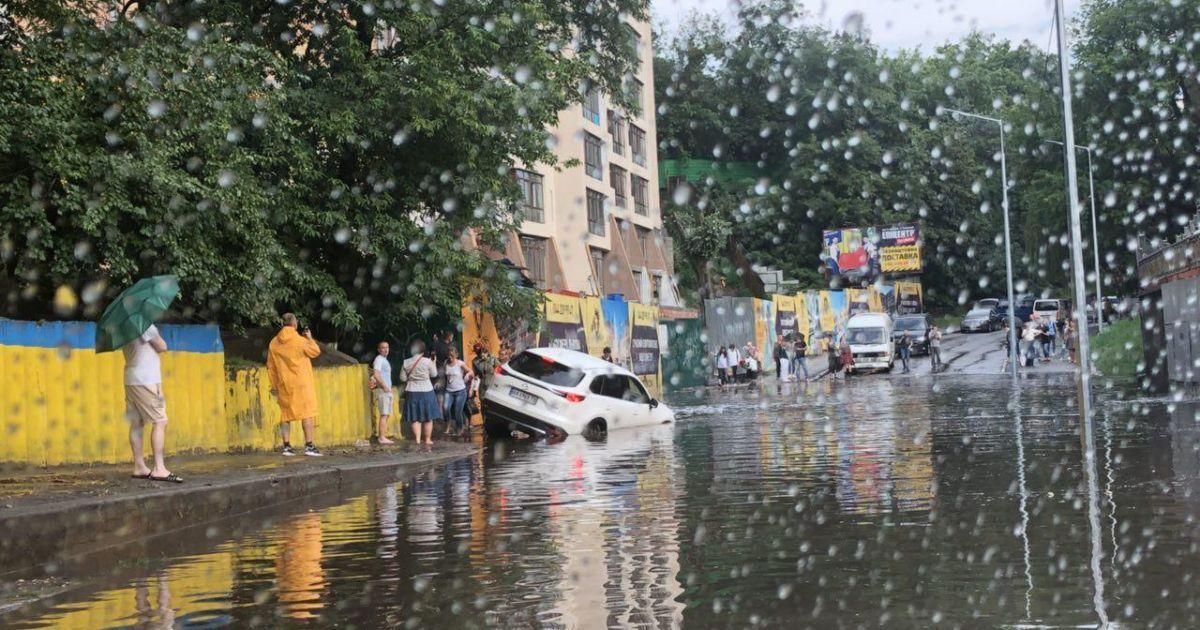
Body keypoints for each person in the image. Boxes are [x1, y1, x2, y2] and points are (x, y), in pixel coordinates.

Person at [124, 324, 181, 482]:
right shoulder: (144, 324)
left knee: (137, 423)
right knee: (160, 421)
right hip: (146, 380)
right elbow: (162, 346)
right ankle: (159, 468)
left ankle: (139, 466)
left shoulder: (124, 326)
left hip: (131, 378)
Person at [267, 313, 323, 457]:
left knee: (285, 415)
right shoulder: (299, 340)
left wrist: (274, 386)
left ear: (283, 324)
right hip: (302, 383)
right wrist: (309, 338)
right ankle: (309, 446)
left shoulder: (274, 342)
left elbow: (271, 367)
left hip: (284, 383)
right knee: (307, 413)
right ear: (294, 324)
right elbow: (315, 352)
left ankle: (286, 447)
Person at [401, 340, 441, 446]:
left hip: (412, 391)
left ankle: (417, 440)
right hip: (427, 391)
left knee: (415, 417)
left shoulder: (406, 362)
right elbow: (434, 374)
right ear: (423, 350)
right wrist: (434, 363)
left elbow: (402, 378)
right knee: (428, 417)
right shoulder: (428, 361)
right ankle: (427, 440)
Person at [443, 349, 472, 436]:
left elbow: (470, 371)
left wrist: (467, 376)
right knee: (445, 408)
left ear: (456, 355)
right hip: (449, 391)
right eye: (449, 355)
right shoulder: (446, 363)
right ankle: (448, 427)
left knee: (457, 411)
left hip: (460, 391)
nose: (450, 357)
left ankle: (459, 429)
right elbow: (445, 376)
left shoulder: (460, 363)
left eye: (452, 356)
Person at [372, 341, 395, 445]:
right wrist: (384, 386)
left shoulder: (384, 360)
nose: (386, 349)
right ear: (379, 349)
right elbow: (376, 374)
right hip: (383, 391)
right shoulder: (379, 360)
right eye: (383, 348)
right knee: (384, 414)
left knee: (386, 414)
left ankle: (383, 436)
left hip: (387, 390)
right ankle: (381, 437)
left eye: (387, 347)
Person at [432, 331, 452, 413]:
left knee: (439, 393)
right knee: (446, 393)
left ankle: (439, 414)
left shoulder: (436, 345)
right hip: (446, 371)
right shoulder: (449, 348)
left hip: (437, 370)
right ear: (449, 337)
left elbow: (432, 356)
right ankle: (445, 415)